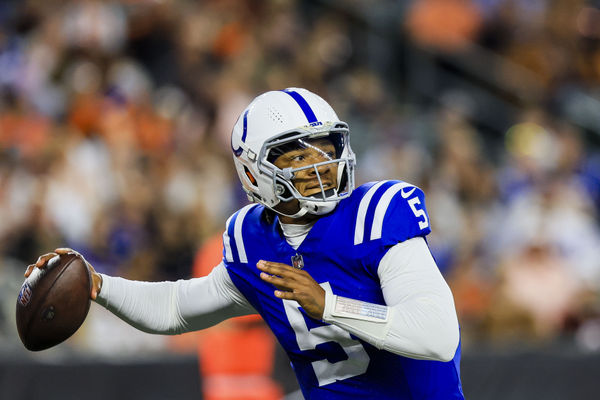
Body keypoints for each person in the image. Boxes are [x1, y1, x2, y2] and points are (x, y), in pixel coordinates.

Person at [27, 88, 464, 399]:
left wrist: (331, 307)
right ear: (254, 173)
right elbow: (178, 307)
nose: (321, 164)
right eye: (297, 154)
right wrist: (98, 285)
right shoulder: (251, 240)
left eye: (326, 148)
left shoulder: (379, 213)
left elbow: (438, 335)